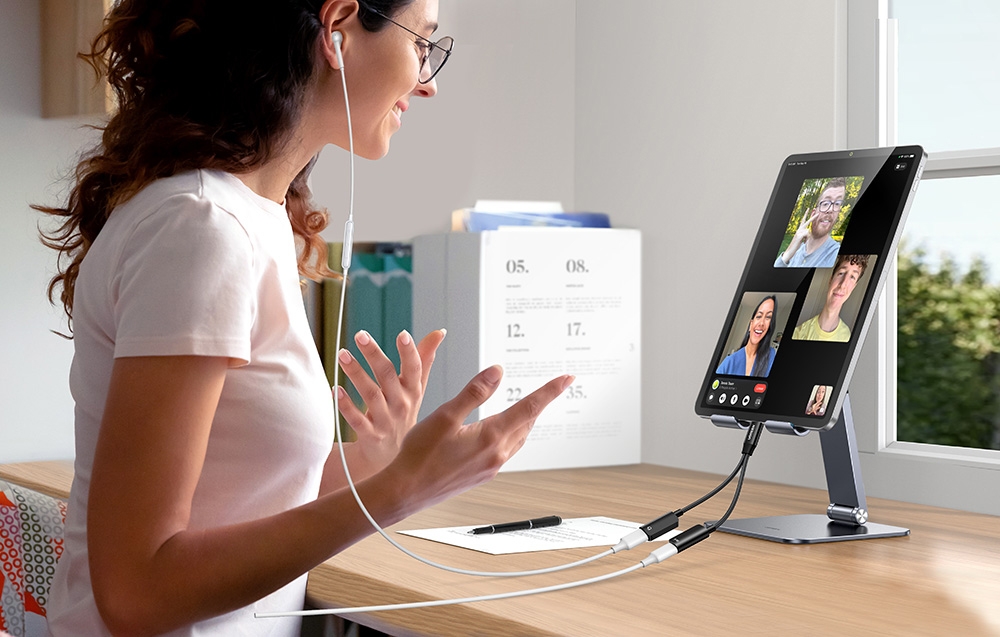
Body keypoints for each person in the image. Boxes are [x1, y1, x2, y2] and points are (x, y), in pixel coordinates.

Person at [35, 1, 572, 635]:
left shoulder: (248, 217)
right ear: (338, 29)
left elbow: (242, 499)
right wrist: (399, 492)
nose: (427, 82)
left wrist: (372, 462)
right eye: (421, 44)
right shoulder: (202, 226)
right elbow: (136, 591)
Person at [792, 254, 869, 342]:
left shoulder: (847, 338)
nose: (843, 285)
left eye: (852, 277)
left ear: (853, 287)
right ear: (831, 280)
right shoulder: (798, 334)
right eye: (841, 273)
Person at [775, 177, 847, 268]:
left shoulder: (836, 254)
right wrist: (788, 254)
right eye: (825, 203)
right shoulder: (796, 250)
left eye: (837, 204)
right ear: (813, 214)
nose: (831, 210)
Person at [716, 295, 778, 377]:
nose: (761, 323)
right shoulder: (729, 362)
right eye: (759, 316)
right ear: (751, 324)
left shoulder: (771, 356)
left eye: (768, 317)